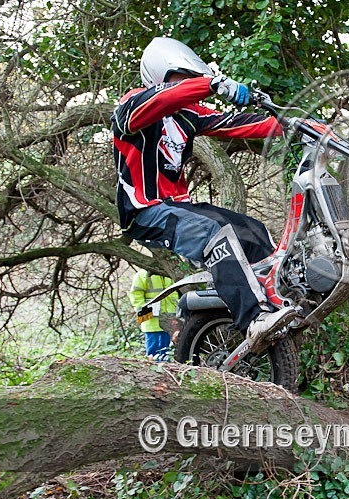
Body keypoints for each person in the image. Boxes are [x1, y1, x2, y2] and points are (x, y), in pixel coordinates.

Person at [112, 37, 297, 352]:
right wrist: (211, 84)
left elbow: (238, 124)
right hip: (145, 212)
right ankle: (254, 318)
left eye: (191, 79)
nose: (188, 85)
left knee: (251, 230)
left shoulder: (187, 116)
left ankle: (275, 300)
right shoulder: (132, 106)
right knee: (214, 234)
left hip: (177, 207)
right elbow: (165, 98)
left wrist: (294, 124)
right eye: (182, 78)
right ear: (159, 74)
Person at [129, 269, 178, 361]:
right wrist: (142, 310)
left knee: (166, 352)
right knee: (153, 354)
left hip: (168, 319)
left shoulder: (168, 272)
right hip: (150, 320)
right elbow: (136, 294)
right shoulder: (143, 274)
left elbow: (174, 295)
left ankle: (165, 367)